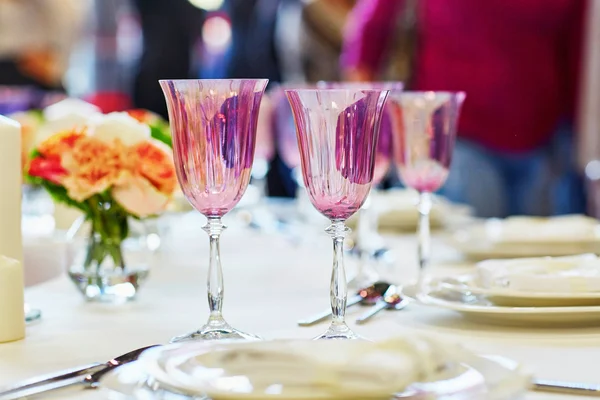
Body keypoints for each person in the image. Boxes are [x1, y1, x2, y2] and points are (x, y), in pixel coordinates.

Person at [341, 0, 587, 217]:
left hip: (543, 143)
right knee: (458, 258)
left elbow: (580, 54)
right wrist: (365, 124)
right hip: (453, 140)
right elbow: (371, 29)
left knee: (535, 262)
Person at [0, 0, 88, 92]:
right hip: (10, 69)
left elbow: (66, 32)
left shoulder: (61, 8)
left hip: (39, 75)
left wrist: (54, 67)